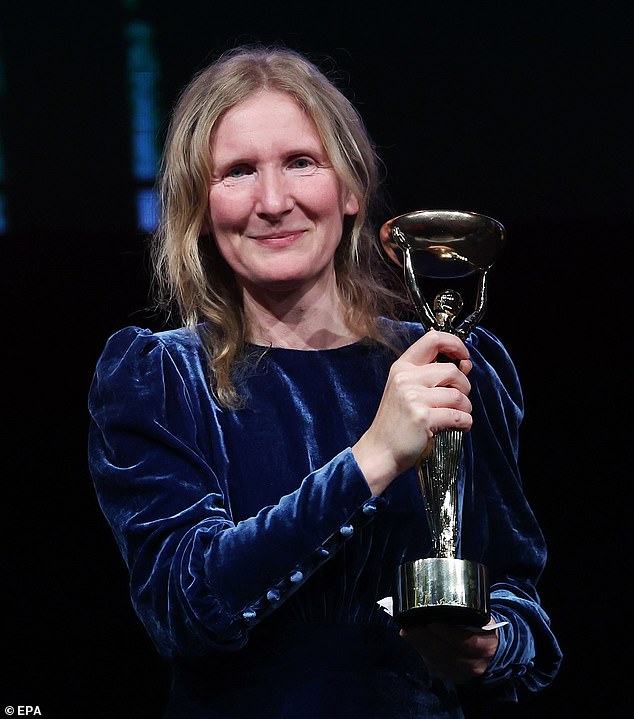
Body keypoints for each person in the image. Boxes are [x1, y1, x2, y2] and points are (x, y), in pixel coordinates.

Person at [87, 45, 562, 718]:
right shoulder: (159, 378)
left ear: (350, 190)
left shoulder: (448, 362)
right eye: (239, 171)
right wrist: (371, 458)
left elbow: (518, 596)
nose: (273, 201)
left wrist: (489, 644)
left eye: (300, 163)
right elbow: (185, 610)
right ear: (200, 204)